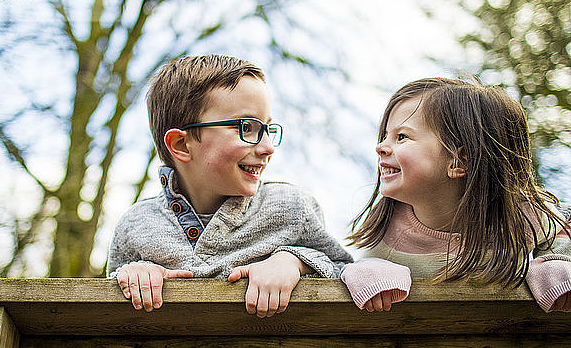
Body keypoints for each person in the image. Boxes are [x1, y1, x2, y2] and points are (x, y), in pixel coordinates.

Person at [107, 54, 352, 317]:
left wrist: (292, 262)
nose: (268, 147)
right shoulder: (136, 224)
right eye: (247, 127)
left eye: (268, 129)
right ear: (181, 145)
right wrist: (132, 275)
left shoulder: (291, 207)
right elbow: (105, 302)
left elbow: (344, 272)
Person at [340, 77, 571, 313]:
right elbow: (357, 268)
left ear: (459, 160)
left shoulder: (519, 214)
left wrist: (556, 263)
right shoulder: (389, 230)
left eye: (401, 137)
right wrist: (373, 270)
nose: (380, 146)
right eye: (385, 135)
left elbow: (562, 225)